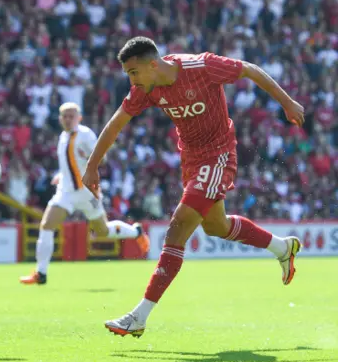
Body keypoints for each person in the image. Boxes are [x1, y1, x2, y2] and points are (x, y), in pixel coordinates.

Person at [82, 37, 305, 338]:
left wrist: (287, 102)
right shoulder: (146, 89)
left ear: (152, 64)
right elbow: (116, 123)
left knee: (178, 227)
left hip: (218, 155)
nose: (130, 80)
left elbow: (249, 69)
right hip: (191, 158)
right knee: (216, 226)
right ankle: (282, 246)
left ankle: (139, 316)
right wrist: (93, 165)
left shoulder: (201, 66)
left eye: (133, 72)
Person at [19, 102, 149, 285]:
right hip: (66, 191)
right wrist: (61, 175)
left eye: (71, 116)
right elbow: (69, 163)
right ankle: (41, 273)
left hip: (87, 192)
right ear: (59, 118)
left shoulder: (86, 135)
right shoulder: (63, 137)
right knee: (47, 225)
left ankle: (136, 231)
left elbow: (101, 159)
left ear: (79, 118)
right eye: (64, 116)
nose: (68, 119)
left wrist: (87, 157)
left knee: (102, 230)